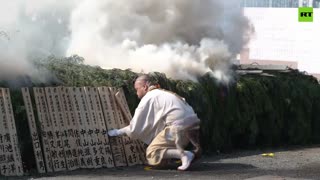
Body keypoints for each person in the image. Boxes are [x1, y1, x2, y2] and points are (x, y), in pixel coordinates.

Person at [108, 74, 201, 170]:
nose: (136, 93)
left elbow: (135, 128)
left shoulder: (149, 98)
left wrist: (117, 132)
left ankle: (185, 154)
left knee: (152, 151)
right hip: (193, 125)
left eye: (137, 89)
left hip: (179, 127)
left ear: (144, 87)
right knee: (159, 146)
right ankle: (181, 155)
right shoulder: (163, 93)